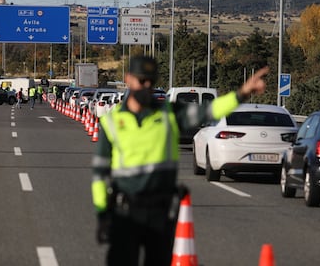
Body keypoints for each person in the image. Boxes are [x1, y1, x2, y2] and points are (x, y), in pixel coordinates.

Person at [91, 55, 269, 266]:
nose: (146, 87)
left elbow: (209, 110)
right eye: (141, 81)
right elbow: (100, 172)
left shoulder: (170, 114)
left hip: (161, 212)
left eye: (151, 82)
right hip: (125, 212)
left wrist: (242, 94)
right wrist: (102, 213)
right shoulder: (112, 121)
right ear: (128, 79)